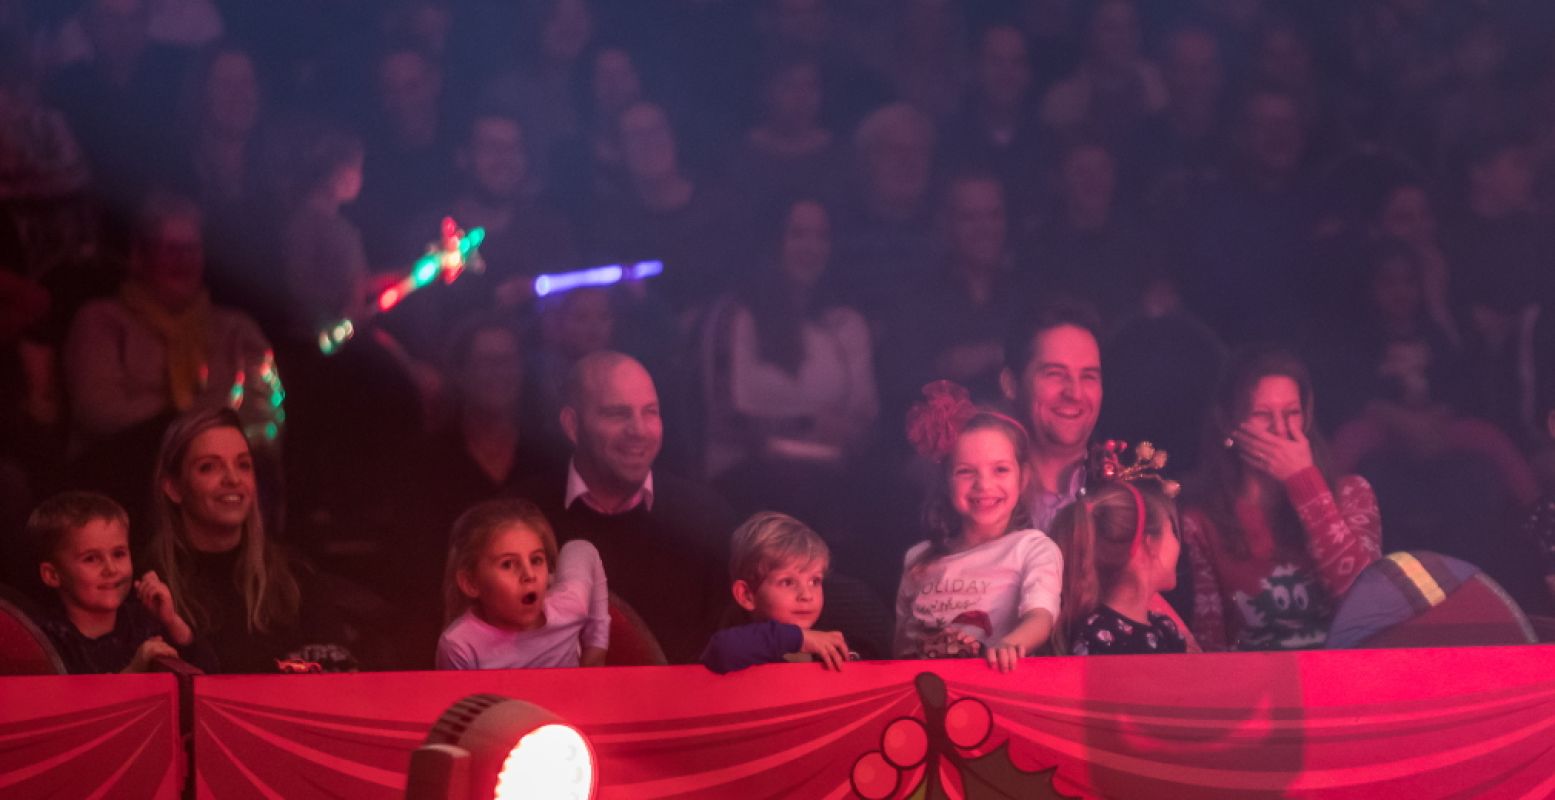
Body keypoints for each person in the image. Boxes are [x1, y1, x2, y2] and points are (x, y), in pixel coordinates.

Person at [518, 351, 734, 663]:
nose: (639, 430)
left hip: (679, 708)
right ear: (572, 425)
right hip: (554, 709)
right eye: (617, 414)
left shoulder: (706, 517)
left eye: (650, 412)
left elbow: (734, 643)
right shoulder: (521, 521)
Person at [1183, 348, 1383, 651]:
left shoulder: (1352, 494)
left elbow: (1369, 607)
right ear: (1229, 424)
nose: (1281, 429)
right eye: (1263, 415)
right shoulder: (1200, 520)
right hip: (1254, 689)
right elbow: (1207, 642)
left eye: (1292, 414)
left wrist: (1304, 482)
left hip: (1343, 683)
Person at [145, 406, 352, 672]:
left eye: (243, 465)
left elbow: (342, 675)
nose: (232, 479)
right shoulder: (150, 583)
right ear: (173, 488)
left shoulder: (293, 576)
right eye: (209, 467)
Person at [895, 381, 1063, 672]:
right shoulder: (917, 559)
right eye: (965, 472)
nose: (984, 485)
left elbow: (1041, 617)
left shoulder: (1031, 548)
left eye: (1000, 470)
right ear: (947, 483)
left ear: (1022, 478)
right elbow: (899, 650)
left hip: (996, 699)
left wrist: (1010, 645)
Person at [28, 491, 204, 673]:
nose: (111, 569)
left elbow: (212, 679)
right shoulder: (45, 642)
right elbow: (73, 699)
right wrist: (133, 672)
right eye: (91, 559)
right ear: (52, 575)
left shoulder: (144, 624)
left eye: (118, 554)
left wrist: (172, 622)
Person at [436, 498, 608, 670]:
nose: (529, 575)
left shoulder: (569, 606)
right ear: (471, 583)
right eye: (508, 564)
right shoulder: (460, 647)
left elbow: (580, 548)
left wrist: (596, 646)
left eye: (536, 560)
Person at [1049, 471, 1189, 656]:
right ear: (1147, 545)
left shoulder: (1164, 629)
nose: (1179, 543)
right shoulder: (1099, 637)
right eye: (1172, 531)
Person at [999, 301, 1104, 531]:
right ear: (1010, 384)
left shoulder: (1129, 497)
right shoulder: (979, 497)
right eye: (1055, 374)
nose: (1074, 394)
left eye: (1088, 377)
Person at [701, 511, 849, 673]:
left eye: (814, 581)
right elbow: (723, 650)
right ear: (746, 595)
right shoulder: (741, 645)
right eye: (787, 582)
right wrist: (799, 638)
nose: (807, 595)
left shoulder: (818, 649)